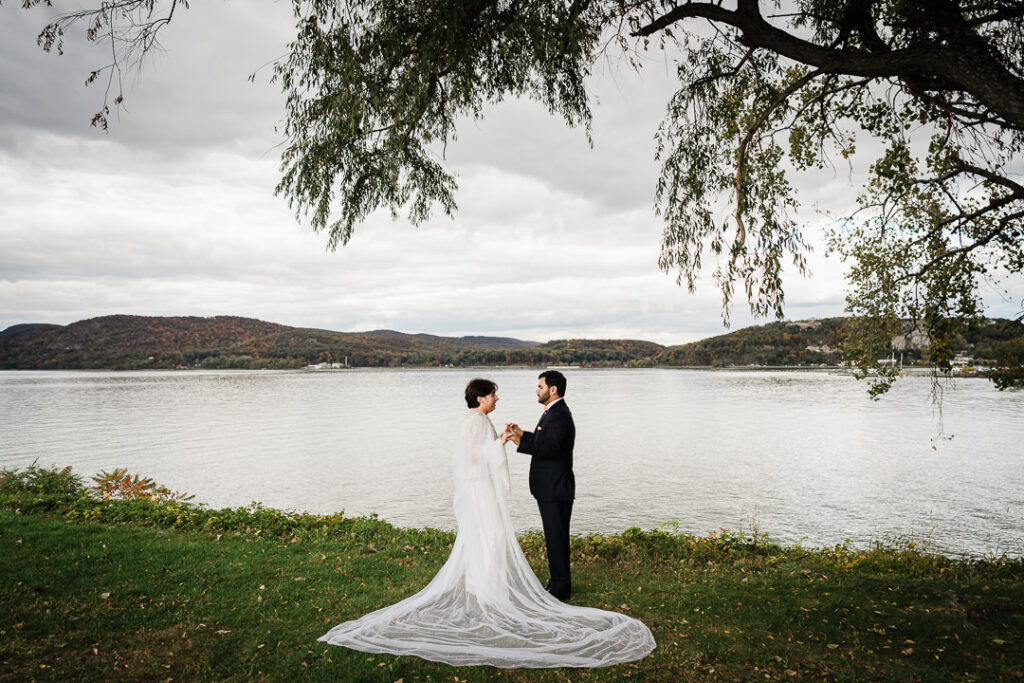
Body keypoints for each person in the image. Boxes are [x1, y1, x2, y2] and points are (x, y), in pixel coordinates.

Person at [318, 378, 655, 668]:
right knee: (488, 537)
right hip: (478, 492)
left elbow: (491, 452)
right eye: (493, 394)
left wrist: (508, 438)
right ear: (480, 398)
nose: (497, 398)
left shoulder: (484, 421)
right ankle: (486, 589)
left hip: (486, 490)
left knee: (491, 538)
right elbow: (472, 457)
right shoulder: (473, 423)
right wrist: (503, 442)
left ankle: (487, 587)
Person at [504, 370, 574, 601]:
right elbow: (545, 440)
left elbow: (550, 450)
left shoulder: (559, 415)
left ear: (553, 390)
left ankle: (560, 588)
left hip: (555, 488)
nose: (537, 390)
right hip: (551, 487)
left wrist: (519, 441)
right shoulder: (553, 413)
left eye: (540, 386)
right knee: (554, 537)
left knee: (556, 537)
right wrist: (523, 434)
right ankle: (557, 583)